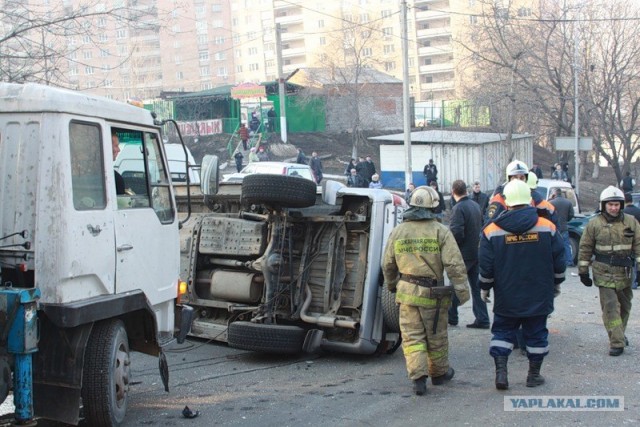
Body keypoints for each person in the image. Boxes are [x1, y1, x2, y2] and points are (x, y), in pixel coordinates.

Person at [382, 185, 470, 396]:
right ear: (433, 207)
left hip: (407, 293)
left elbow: (387, 264)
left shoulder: (398, 231)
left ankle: (418, 379)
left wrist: (392, 285)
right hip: (434, 295)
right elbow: (454, 264)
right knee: (436, 335)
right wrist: (463, 292)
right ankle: (439, 374)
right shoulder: (441, 231)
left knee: (412, 338)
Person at [479, 179, 565, 390]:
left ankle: (501, 374)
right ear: (530, 200)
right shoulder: (547, 227)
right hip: (539, 292)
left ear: (506, 202)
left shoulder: (491, 230)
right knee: (536, 334)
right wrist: (556, 283)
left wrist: (485, 287)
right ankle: (533, 376)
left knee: (502, 333)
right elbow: (559, 261)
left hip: (507, 294)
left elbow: (486, 265)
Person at [578, 186, 640, 356]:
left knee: (625, 307)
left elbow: (639, 245)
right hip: (603, 272)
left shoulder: (631, 222)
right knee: (611, 307)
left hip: (625, 273)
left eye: (616, 204)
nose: (614, 208)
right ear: (604, 205)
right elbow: (585, 248)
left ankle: (618, 332)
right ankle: (617, 342)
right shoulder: (594, 224)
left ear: (621, 205)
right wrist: (583, 271)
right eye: (610, 204)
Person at [447, 180, 488, 329]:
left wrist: (450, 247)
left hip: (463, 253)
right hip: (475, 251)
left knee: (456, 285)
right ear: (466, 190)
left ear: (453, 191)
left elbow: (457, 232)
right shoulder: (475, 205)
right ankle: (482, 318)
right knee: (477, 287)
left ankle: (452, 317)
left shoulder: (458, 208)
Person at [486, 160, 556, 225]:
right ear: (509, 179)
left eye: (522, 178)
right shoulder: (499, 200)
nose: (518, 181)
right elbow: (489, 226)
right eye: (515, 177)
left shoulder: (531, 198)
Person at [549, 188, 575, 267]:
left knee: (553, 245)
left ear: (554, 194)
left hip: (554, 228)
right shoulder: (568, 202)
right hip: (564, 227)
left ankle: (554, 262)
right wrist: (566, 220)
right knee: (566, 245)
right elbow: (571, 215)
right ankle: (569, 261)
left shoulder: (551, 202)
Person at [623, 192, 640, 290]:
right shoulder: (638, 211)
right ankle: (636, 281)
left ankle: (630, 281)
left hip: (625, 239)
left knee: (628, 261)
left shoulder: (623, 212)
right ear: (632, 200)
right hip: (637, 239)